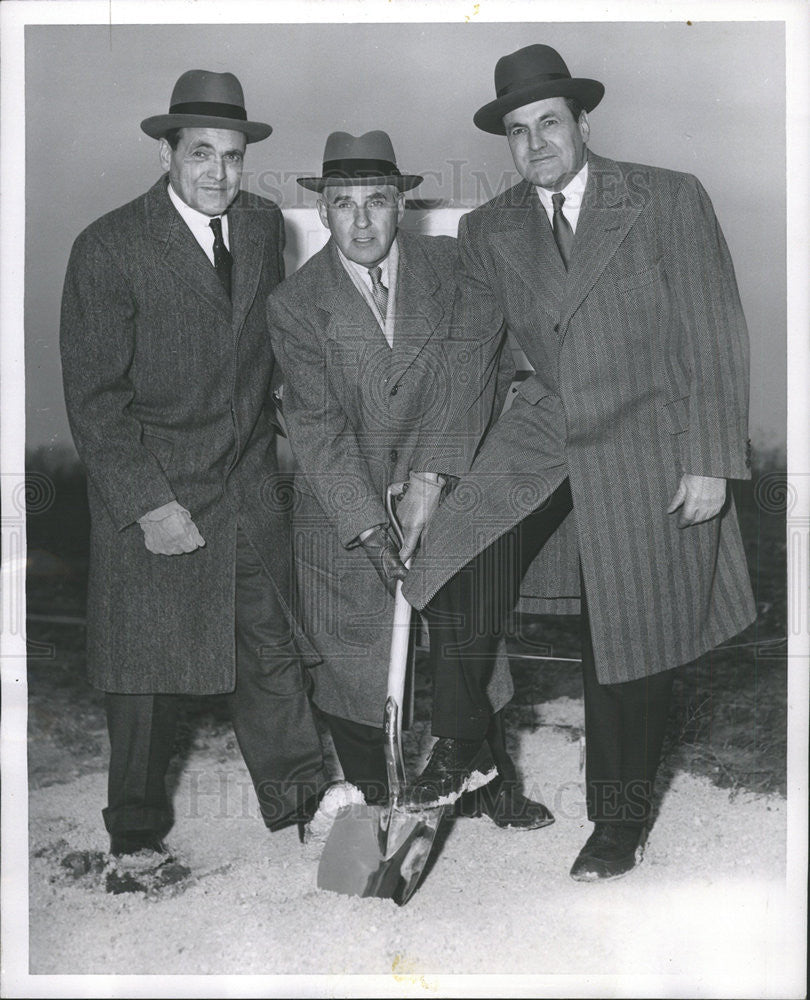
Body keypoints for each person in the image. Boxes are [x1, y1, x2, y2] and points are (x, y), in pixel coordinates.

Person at [401, 44, 756, 880]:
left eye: (549, 123)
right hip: (546, 431)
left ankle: (618, 827)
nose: (534, 144)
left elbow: (715, 332)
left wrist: (709, 458)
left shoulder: (666, 198)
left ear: (583, 122)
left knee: (628, 640)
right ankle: (465, 744)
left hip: (650, 438)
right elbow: (473, 361)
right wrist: (430, 476)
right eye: (517, 132)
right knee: (454, 564)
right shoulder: (489, 230)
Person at [60, 69, 329, 867]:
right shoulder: (107, 246)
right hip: (157, 489)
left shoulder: (259, 226)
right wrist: (148, 503)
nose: (219, 172)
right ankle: (135, 839)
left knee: (272, 652)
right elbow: (96, 401)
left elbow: (270, 348)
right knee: (143, 674)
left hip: (247, 488)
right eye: (202, 153)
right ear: (168, 152)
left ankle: (304, 810)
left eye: (234, 156)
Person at [268, 130, 551, 828]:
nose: (360, 221)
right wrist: (367, 524)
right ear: (324, 212)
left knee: (466, 640)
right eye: (343, 204)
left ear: (402, 206)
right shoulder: (296, 305)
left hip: (445, 477)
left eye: (376, 202)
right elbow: (318, 427)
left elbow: (475, 365)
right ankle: (378, 809)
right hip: (344, 502)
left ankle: (486, 782)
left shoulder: (454, 267)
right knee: (355, 659)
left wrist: (433, 473)